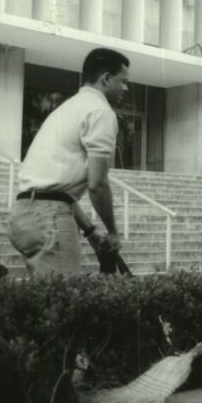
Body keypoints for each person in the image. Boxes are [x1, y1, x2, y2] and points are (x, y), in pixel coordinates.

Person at [7, 47, 129, 274]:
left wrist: (91, 232)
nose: (126, 88)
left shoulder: (66, 109)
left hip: (23, 214)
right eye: (123, 81)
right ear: (106, 78)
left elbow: (58, 190)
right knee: (62, 304)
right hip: (48, 218)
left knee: (48, 301)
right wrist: (113, 232)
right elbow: (98, 184)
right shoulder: (101, 111)